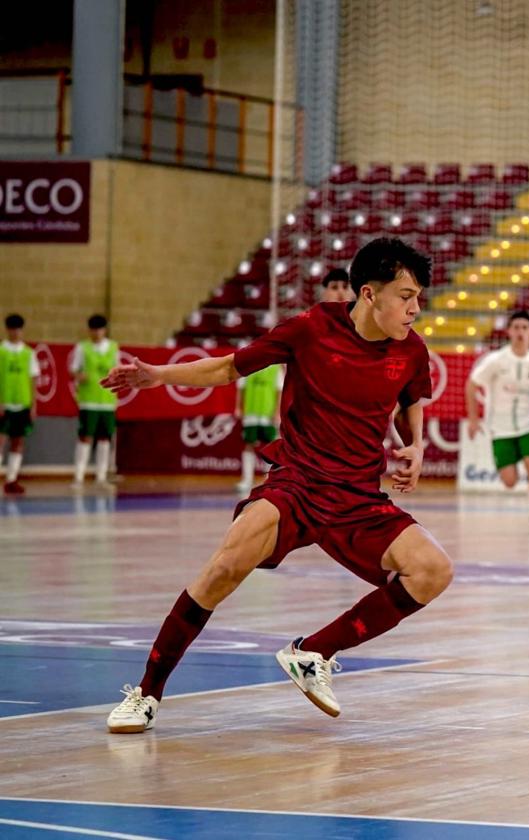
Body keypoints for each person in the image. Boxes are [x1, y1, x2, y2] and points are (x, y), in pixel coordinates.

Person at [101, 237, 454, 733]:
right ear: (368, 295)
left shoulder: (412, 350)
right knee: (224, 566)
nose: (416, 308)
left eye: (420, 297)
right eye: (406, 295)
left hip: (357, 499)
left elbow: (412, 397)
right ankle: (146, 693)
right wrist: (157, 375)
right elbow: (228, 367)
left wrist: (415, 446)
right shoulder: (310, 329)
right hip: (298, 484)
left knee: (433, 570)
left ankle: (314, 653)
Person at [466, 310, 529, 537]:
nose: (520, 332)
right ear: (509, 331)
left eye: (524, 328)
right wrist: (473, 419)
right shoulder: (496, 361)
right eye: (516, 327)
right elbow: (471, 384)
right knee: (509, 481)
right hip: (500, 428)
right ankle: (513, 463)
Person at [70, 314, 120, 488]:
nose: (97, 333)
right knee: (85, 437)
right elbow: (73, 370)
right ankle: (78, 477)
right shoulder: (82, 348)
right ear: (89, 331)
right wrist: (79, 376)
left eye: (100, 329)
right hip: (88, 400)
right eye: (94, 329)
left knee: (105, 439)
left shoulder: (114, 348)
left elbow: (118, 371)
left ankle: (101, 477)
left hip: (107, 401)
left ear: (104, 330)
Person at [1, 313, 40, 496]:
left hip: (22, 403)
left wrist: (33, 404)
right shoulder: (1, 351)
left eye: (18, 329)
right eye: (12, 329)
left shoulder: (28, 353)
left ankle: (11, 479)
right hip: (5, 403)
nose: (16, 332)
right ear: (7, 330)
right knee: (1, 441)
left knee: (18, 442)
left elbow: (33, 379)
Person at [235, 360, 284, 493]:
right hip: (250, 414)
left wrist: (276, 412)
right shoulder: (248, 367)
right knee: (249, 444)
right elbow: (241, 388)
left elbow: (279, 391)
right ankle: (247, 479)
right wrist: (239, 407)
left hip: (267, 415)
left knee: (271, 447)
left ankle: (270, 479)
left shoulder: (275, 369)